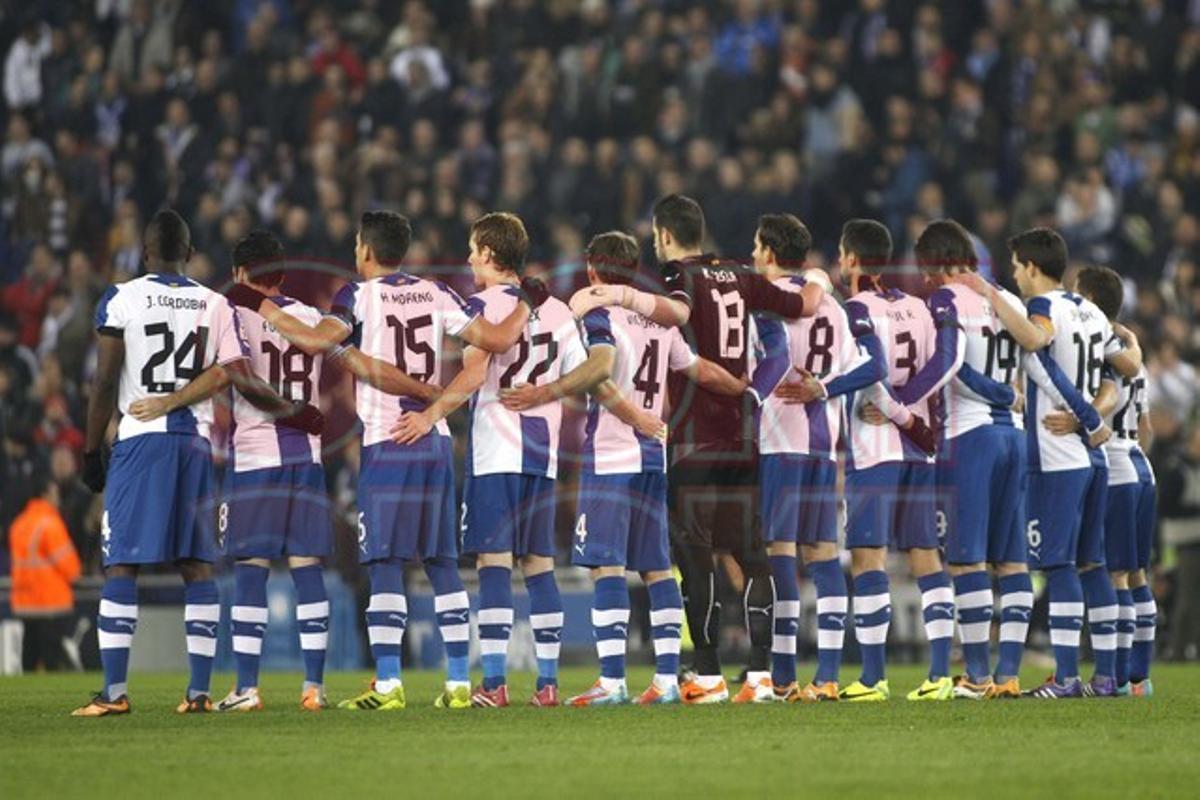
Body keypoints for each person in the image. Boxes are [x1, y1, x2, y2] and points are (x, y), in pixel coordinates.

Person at [229, 210, 548, 711]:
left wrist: (257, 305)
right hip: (436, 436)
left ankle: (389, 685)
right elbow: (499, 340)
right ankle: (460, 685)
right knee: (442, 563)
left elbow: (315, 341)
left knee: (385, 563)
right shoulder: (438, 292)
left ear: (366, 250)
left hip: (388, 440)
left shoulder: (357, 296)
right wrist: (527, 301)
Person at [571, 194, 821, 704]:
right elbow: (802, 307)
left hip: (691, 438)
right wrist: (749, 390)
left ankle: (705, 675)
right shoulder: (741, 275)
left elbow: (676, 313)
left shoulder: (673, 281)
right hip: (744, 433)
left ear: (663, 236)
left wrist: (613, 296)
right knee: (754, 555)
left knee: (697, 556)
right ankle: (760, 676)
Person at [73, 209, 320, 717]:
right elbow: (230, 373)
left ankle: (114, 693)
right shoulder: (214, 302)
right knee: (197, 566)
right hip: (196, 444)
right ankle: (199, 692)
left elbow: (103, 383)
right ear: (188, 254)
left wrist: (91, 448)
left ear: (144, 253)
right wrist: (182, 400)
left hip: (141, 439)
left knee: (122, 563)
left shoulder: (122, 297)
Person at [502, 231, 747, 705]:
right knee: (658, 569)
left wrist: (552, 393)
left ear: (593, 269)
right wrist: (741, 387)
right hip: (655, 456)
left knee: (606, 566)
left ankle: (612, 681)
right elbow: (699, 369)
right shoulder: (661, 323)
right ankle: (668, 680)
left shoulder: (599, 316)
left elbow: (598, 369)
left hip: (613, 456)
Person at [126, 231, 341, 711]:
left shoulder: (229, 311)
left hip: (257, 455)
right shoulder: (307, 316)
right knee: (308, 568)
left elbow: (227, 372)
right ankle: (314, 688)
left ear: (242, 273)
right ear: (281, 274)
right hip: (307, 457)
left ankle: (247, 688)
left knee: (251, 570)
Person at [391, 212, 584, 708]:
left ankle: (495, 683)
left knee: (494, 562)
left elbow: (475, 375)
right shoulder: (559, 309)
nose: (470, 258)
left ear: (493, 256)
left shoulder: (479, 306)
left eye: (475, 249)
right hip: (544, 452)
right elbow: (581, 376)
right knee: (540, 564)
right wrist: (548, 392)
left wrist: (431, 413)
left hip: (497, 448)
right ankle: (547, 685)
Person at [962, 227, 1140, 698]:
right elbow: (1123, 372)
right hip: (1093, 458)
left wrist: (990, 294)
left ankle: (1065, 678)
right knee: (1092, 565)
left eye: (1017, 267)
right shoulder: (1092, 311)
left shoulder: (1041, 308)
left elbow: (1037, 346)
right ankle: (1107, 677)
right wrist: (1096, 415)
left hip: (1057, 456)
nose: (1015, 275)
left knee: (1059, 567)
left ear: (1033, 268)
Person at [751, 214, 884, 702]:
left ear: (768, 250)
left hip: (781, 442)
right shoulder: (831, 304)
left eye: (755, 246)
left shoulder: (766, 302)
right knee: (825, 557)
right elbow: (869, 367)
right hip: (825, 447)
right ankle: (827, 677)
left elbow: (774, 360)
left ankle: (784, 678)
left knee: (780, 554)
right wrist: (825, 389)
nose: (752, 254)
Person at [831, 219, 954, 702]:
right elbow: (937, 366)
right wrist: (915, 419)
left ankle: (873, 678)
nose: (841, 263)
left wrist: (891, 411)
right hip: (919, 451)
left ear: (855, 259)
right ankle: (941, 674)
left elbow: (871, 369)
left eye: (843, 255)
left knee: (868, 557)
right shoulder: (921, 309)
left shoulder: (853, 309)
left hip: (877, 445)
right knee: (926, 554)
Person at [908, 220, 1031, 699]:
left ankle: (978, 677)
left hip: (970, 435)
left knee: (966, 559)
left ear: (938, 263)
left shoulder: (945, 300)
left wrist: (906, 401)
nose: (925, 281)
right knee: (1013, 561)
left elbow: (952, 364)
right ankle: (1009, 676)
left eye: (926, 270)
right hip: (1014, 436)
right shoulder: (1007, 301)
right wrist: (1011, 396)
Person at [1074, 265, 1157, 696]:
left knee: (1117, 575)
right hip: (1142, 465)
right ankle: (1140, 677)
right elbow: (1148, 428)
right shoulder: (1129, 347)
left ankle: (1121, 678)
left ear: (1087, 297)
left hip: (1117, 467)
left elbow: (1101, 404)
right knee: (1138, 573)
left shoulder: (1098, 343)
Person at [9, 471, 81, 672]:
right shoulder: (50, 523)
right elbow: (68, 564)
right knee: (51, 653)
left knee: (29, 650)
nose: (57, 497)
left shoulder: (19, 524)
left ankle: (26, 691)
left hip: (25, 598)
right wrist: (76, 575)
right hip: (49, 599)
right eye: (54, 492)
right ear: (45, 494)